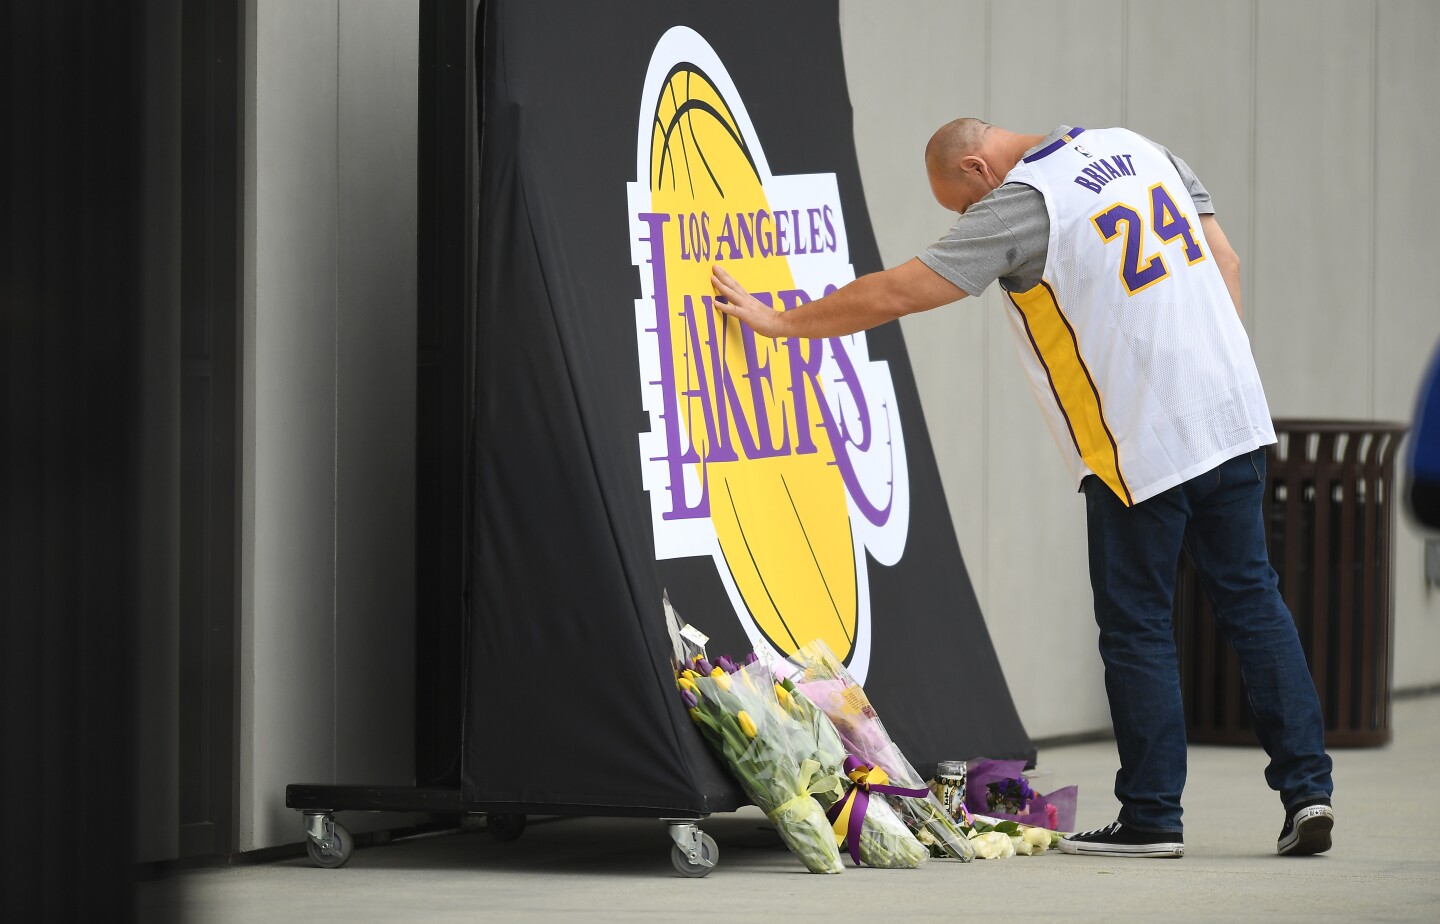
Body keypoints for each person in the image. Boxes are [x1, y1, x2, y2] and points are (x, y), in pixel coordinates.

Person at [710, 119, 1334, 858]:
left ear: (977, 166)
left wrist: (783, 321)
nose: (966, 221)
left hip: (1138, 443)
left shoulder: (1024, 201)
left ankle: (1152, 817)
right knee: (1254, 603)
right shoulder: (1140, 148)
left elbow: (905, 289)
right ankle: (1308, 793)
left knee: (1137, 624)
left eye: (960, 204)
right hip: (1232, 416)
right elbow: (1223, 260)